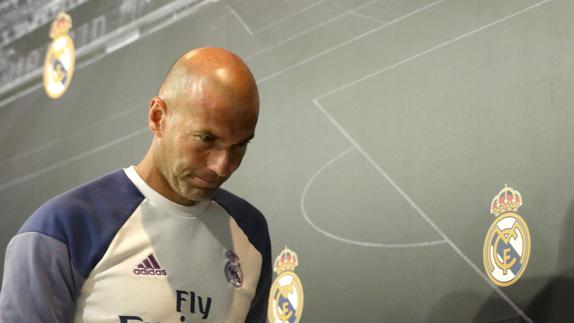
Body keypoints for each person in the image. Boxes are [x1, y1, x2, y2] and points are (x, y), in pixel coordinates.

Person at [0, 47, 271, 322]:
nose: (221, 166)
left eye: (239, 146)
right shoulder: (63, 228)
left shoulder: (251, 233)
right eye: (206, 139)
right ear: (157, 118)